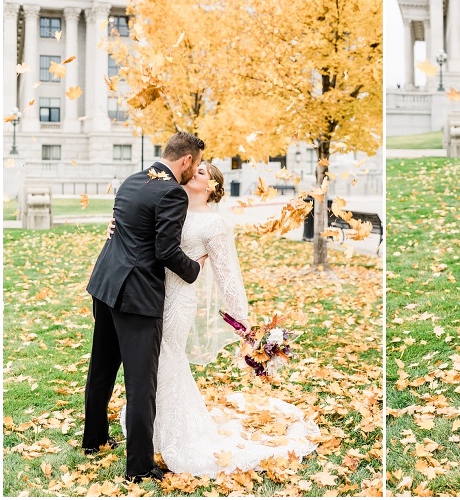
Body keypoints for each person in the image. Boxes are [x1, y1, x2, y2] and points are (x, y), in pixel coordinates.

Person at [110, 161, 319, 477]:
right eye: (196, 168)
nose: (196, 172)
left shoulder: (213, 224)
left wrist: (243, 322)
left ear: (213, 186)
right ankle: (152, 431)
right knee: (156, 365)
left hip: (177, 301)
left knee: (166, 362)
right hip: (147, 293)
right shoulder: (169, 204)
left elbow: (226, 275)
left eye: (204, 172)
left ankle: (168, 436)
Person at [83, 132, 207, 482]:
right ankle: (139, 466)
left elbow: (123, 229)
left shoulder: (133, 180)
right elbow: (165, 250)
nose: (193, 171)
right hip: (136, 297)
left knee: (102, 369)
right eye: (195, 165)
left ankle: (93, 440)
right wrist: (194, 268)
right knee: (141, 384)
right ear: (186, 161)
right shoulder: (171, 192)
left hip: (105, 285)